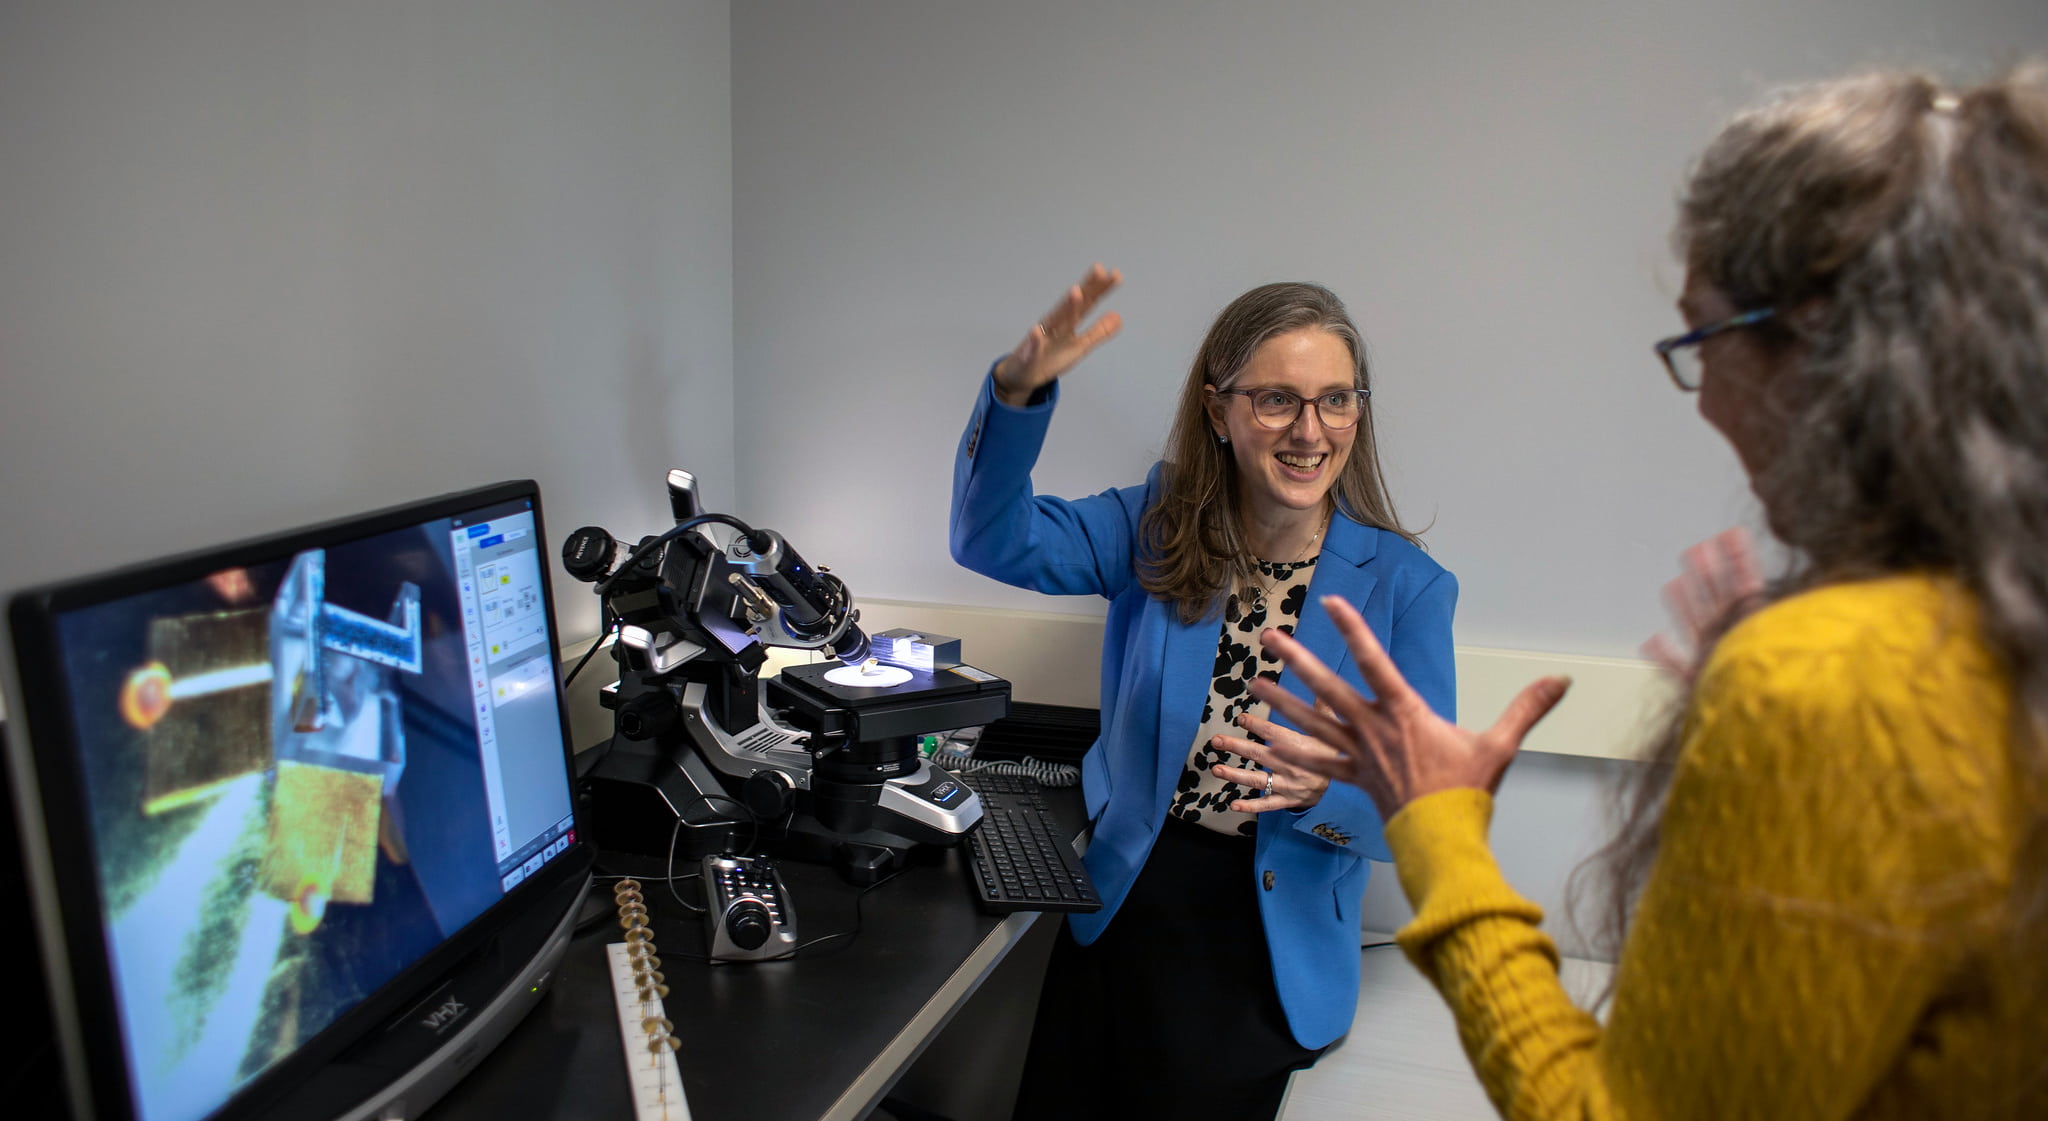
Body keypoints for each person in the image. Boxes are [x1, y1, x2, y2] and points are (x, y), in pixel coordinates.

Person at [1254, 63, 2048, 1119]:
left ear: (1812, 336)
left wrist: (1436, 825)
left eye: (1700, 338)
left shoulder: (1827, 677)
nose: (1704, 396)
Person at [950, 269, 1457, 1119]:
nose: (1309, 430)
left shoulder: (1406, 586)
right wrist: (1015, 393)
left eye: (1336, 399)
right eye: (1277, 401)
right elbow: (991, 538)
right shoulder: (1157, 522)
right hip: (1128, 896)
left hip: (1267, 935)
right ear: (1219, 410)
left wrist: (1322, 791)